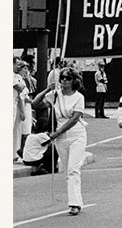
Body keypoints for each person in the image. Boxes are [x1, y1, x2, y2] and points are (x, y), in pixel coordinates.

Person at [30, 67, 88, 215]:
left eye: (68, 78)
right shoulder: (55, 95)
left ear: (74, 80)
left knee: (73, 168)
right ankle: (76, 200)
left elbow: (75, 118)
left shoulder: (79, 97)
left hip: (76, 135)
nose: (64, 81)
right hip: (60, 138)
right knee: (68, 170)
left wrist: (57, 132)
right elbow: (34, 104)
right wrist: (46, 90)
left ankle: (74, 203)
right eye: (62, 78)